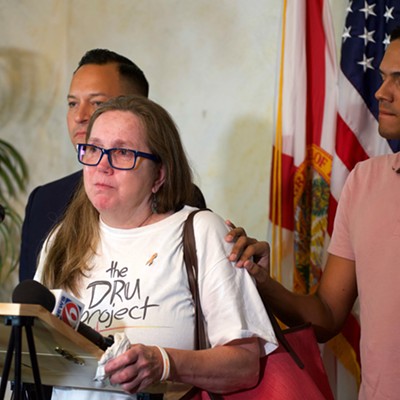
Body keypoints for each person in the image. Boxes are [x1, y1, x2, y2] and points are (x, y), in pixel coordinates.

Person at [34, 95, 278, 400]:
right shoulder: (62, 239)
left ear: (159, 174)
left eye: (122, 152)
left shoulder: (200, 231)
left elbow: (244, 365)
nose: (102, 166)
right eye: (94, 149)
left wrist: (164, 363)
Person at [226, 28, 400, 400]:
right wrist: (261, 282)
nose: (381, 92)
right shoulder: (364, 181)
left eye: (398, 80)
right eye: (383, 77)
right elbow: (325, 315)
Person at [19, 49, 206, 283]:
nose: (80, 116)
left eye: (97, 102)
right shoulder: (44, 200)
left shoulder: (183, 205)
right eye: (72, 103)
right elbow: (30, 306)